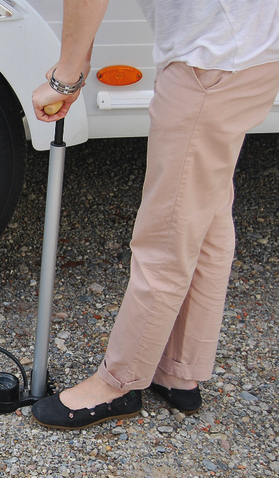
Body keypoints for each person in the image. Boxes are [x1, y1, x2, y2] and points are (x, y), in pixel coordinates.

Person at [30, 0, 279, 430]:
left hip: (210, 63)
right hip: (248, 52)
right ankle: (179, 371)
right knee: (205, 215)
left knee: (167, 235)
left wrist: (65, 77)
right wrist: (78, 63)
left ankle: (118, 383)